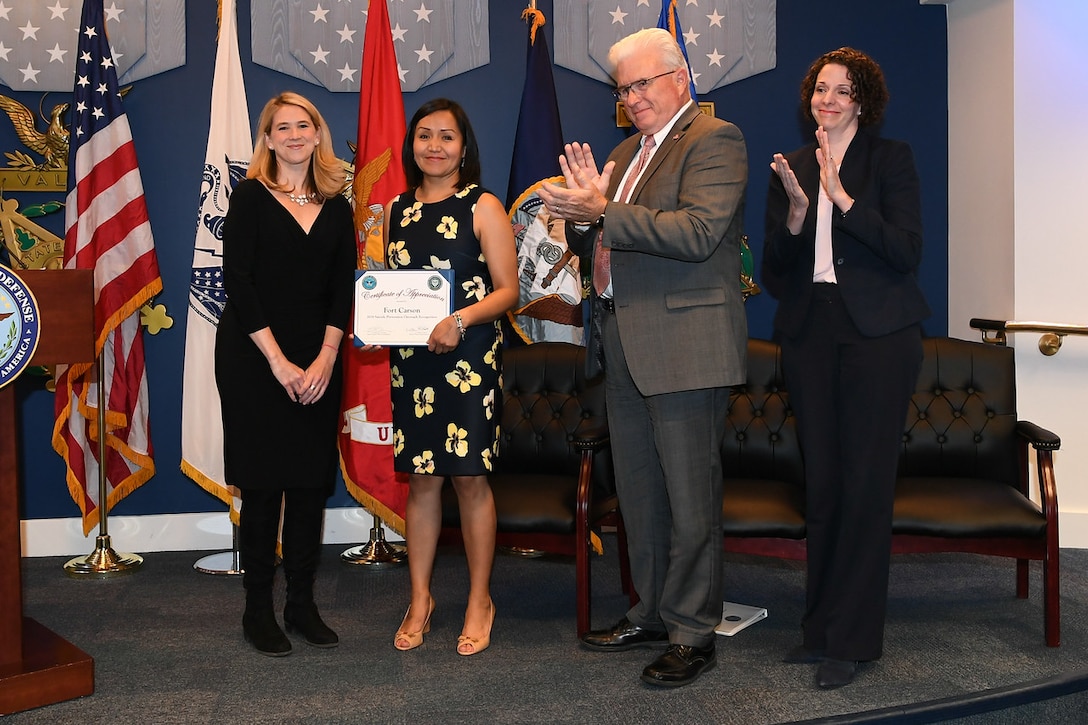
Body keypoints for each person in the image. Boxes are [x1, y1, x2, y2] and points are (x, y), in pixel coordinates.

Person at [537, 28, 748, 687]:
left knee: (690, 498)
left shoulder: (716, 140)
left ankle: (693, 631)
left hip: (686, 346)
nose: (631, 99)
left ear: (680, 77)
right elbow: (599, 236)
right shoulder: (627, 150)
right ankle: (652, 611)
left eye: (641, 84)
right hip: (623, 341)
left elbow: (698, 232)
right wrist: (579, 213)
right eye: (622, 89)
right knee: (640, 493)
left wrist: (605, 209)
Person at [763, 47, 930, 689]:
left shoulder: (891, 160)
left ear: (861, 100)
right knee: (825, 486)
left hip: (879, 337)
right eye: (820, 90)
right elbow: (777, 271)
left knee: (864, 486)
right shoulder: (795, 166)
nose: (827, 100)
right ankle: (820, 630)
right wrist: (802, 215)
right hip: (811, 330)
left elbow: (907, 250)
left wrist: (845, 201)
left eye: (841, 91)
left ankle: (854, 641)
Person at [215, 92, 356, 656]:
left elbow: (343, 287)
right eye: (283, 127)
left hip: (318, 357)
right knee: (264, 483)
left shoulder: (338, 206)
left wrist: (324, 358)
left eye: (305, 125)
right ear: (267, 139)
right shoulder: (249, 197)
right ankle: (257, 611)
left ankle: (301, 605)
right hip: (255, 357)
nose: (295, 134)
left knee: (307, 485)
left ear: (318, 135)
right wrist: (278, 362)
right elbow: (238, 283)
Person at [380, 98, 518, 656]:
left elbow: (509, 291)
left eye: (446, 137)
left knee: (468, 480)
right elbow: (388, 288)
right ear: (411, 146)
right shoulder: (393, 209)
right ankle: (420, 597)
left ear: (464, 147)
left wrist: (458, 319)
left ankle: (479, 598)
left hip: (470, 359)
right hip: (414, 363)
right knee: (421, 481)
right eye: (423, 136)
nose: (434, 146)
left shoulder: (483, 206)